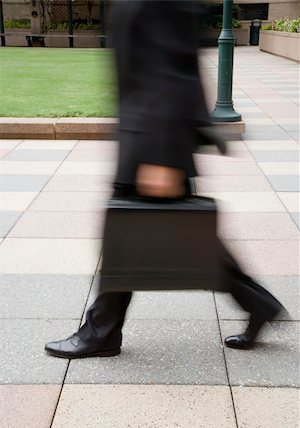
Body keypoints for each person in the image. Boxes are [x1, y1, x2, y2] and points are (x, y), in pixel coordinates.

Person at [45, 0, 284, 359]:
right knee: (180, 237)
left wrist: (160, 156)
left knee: (127, 237)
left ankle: (101, 332)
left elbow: (171, 70)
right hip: (149, 134)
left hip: (153, 140)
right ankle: (257, 303)